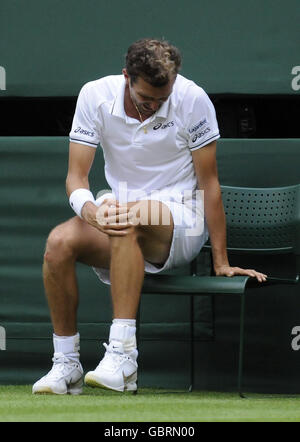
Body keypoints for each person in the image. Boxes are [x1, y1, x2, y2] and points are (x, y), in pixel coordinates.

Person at [32, 38, 267, 395]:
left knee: (129, 217)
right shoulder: (94, 96)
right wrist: (91, 212)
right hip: (123, 214)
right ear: (127, 76)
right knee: (58, 243)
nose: (154, 107)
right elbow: (75, 177)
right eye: (146, 100)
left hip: (182, 221)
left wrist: (221, 260)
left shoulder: (192, 99)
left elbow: (210, 183)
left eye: (162, 100)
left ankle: (123, 355)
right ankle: (66, 363)